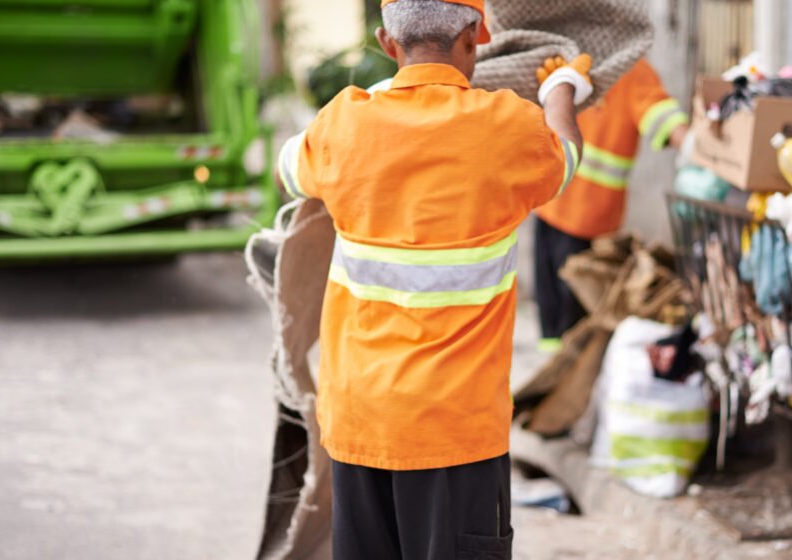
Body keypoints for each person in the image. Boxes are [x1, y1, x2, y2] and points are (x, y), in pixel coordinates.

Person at [274, 1, 589, 558]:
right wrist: (563, 88)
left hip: (360, 424)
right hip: (456, 433)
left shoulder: (343, 122)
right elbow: (564, 155)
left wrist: (376, 104)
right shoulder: (507, 126)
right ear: (473, 37)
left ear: (386, 43)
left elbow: (287, 172)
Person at [532, 59, 689, 349]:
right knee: (554, 310)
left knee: (568, 311)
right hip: (553, 202)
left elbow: (660, 114)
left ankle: (564, 365)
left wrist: (693, 145)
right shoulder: (578, 55)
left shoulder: (630, 70)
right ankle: (554, 367)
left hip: (585, 214)